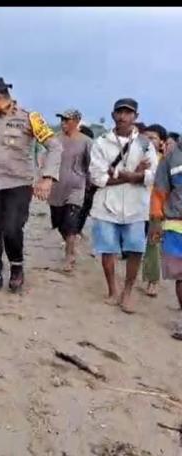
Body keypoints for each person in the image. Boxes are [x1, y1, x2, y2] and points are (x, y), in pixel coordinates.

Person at [0, 77, 62, 293]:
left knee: (12, 228)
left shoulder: (30, 118)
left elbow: (55, 147)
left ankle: (16, 267)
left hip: (18, 184)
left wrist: (47, 178)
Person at [89, 98, 158, 313]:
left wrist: (121, 174)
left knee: (136, 250)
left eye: (128, 113)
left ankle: (127, 293)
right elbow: (97, 177)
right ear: (113, 115)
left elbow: (152, 175)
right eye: (119, 112)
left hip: (137, 206)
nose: (123, 116)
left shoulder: (145, 144)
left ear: (135, 117)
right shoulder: (101, 142)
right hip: (106, 204)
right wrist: (133, 175)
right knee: (106, 249)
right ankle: (112, 290)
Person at [48, 109, 93, 272]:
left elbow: (91, 165)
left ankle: (69, 256)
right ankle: (70, 246)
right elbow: (46, 161)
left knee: (71, 221)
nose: (63, 123)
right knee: (60, 223)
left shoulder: (86, 141)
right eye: (62, 120)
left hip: (77, 187)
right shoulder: (54, 140)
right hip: (56, 187)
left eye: (67, 120)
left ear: (76, 121)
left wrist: (90, 183)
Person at [149, 138, 182, 339]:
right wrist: (156, 223)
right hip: (176, 225)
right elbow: (159, 193)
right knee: (180, 276)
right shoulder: (170, 158)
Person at [142, 124, 168, 297]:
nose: (149, 141)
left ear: (161, 142)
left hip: (156, 211)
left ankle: (153, 281)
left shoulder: (166, 162)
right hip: (136, 207)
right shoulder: (137, 158)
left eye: (153, 138)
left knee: (153, 244)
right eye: (146, 137)